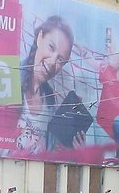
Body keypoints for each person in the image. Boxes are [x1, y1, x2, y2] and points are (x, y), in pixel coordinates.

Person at [17, 16, 83, 153]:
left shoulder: (50, 102)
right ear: (40, 37)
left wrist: (74, 151)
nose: (53, 62)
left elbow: (50, 153)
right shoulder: (9, 77)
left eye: (60, 59)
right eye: (51, 47)